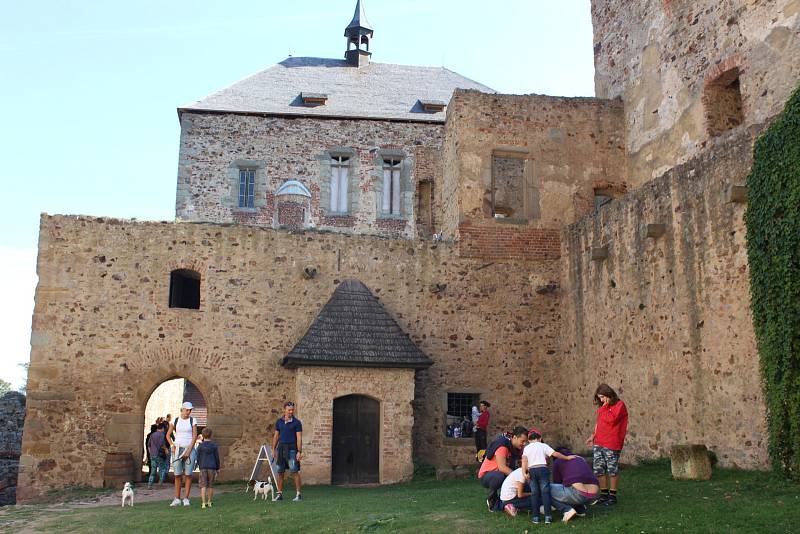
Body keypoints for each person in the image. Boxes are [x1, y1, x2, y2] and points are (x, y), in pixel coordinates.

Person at [520, 428, 577, 525]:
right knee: (545, 493)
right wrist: (567, 457)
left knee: (534, 494)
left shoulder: (527, 448)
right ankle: (548, 518)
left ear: (529, 440)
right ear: (540, 438)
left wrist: (524, 472)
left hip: (532, 470)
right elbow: (555, 454)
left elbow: (524, 460)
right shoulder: (543, 445)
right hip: (543, 470)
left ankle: (535, 518)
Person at [585, 384, 628, 506]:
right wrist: (593, 435)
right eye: (599, 398)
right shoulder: (603, 407)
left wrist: (605, 407)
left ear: (609, 394)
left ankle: (613, 496)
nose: (601, 400)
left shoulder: (619, 405)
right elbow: (600, 422)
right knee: (599, 469)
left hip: (612, 442)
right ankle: (604, 495)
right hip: (599, 442)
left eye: (603, 397)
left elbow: (612, 420)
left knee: (612, 469)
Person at [477, 426, 528, 511]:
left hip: (502, 474)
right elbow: (502, 468)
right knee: (500, 476)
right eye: (522, 441)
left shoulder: (517, 448)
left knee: (522, 482)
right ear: (514, 437)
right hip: (488, 476)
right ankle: (492, 500)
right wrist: (518, 477)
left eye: (526, 442)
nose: (524, 444)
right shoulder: (503, 447)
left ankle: (510, 502)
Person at [550, 447, 601, 523]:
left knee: (544, 487)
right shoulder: (580, 459)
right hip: (594, 495)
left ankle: (567, 510)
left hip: (578, 495)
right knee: (573, 484)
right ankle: (580, 510)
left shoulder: (557, 461)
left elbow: (557, 483)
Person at [167, 402, 198, 506]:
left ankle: (186, 498)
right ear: (182, 409)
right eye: (187, 410)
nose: (188, 412)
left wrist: (189, 449)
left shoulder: (192, 420)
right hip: (178, 449)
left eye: (190, 410)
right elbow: (168, 435)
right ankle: (177, 498)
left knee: (188, 474)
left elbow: (194, 436)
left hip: (189, 448)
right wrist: (172, 446)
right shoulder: (175, 420)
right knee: (177, 474)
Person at [271, 401, 303, 502]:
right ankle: (279, 494)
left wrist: (299, 451)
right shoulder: (279, 422)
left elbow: (299, 438)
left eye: (292, 410)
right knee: (280, 472)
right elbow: (276, 436)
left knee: (294, 471)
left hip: (292, 449)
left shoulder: (297, 423)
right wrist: (273, 449)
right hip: (281, 449)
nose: (291, 411)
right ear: (284, 409)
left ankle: (298, 495)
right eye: (289, 410)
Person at [196, 427, 220, 509]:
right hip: (212, 467)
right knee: (210, 485)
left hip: (203, 467)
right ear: (211, 435)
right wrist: (218, 468)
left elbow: (198, 457)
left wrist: (199, 466)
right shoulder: (214, 446)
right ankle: (209, 502)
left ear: (202, 435)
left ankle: (203, 503)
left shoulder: (200, 446)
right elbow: (217, 457)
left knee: (203, 485)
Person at [147, 422, 169, 488]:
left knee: (153, 470)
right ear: (162, 428)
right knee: (162, 469)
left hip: (152, 454)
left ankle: (149, 484)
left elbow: (149, 445)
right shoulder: (162, 435)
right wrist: (166, 450)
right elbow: (162, 444)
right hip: (159, 454)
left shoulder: (152, 435)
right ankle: (160, 484)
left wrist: (150, 453)